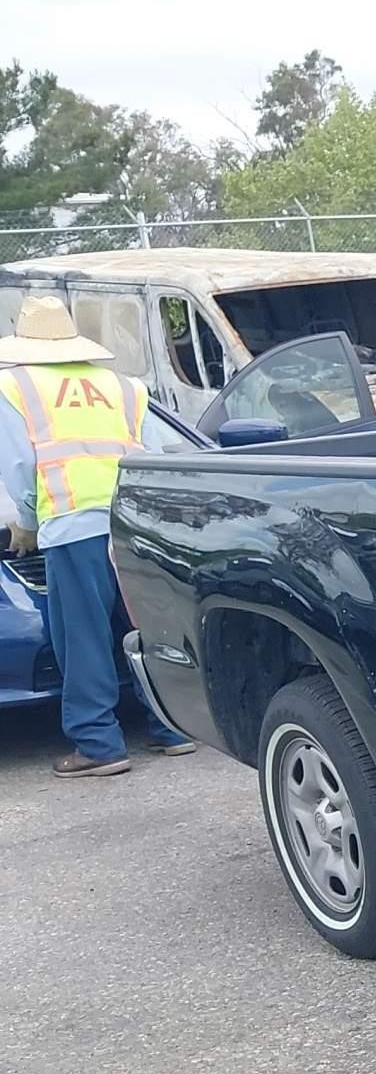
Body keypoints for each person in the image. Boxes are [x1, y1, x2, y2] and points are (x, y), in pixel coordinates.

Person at [0, 295, 195, 778]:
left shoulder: (15, 386)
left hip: (72, 523)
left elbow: (21, 466)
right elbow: (159, 453)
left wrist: (27, 522)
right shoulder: (123, 386)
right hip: (131, 522)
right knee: (143, 626)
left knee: (82, 636)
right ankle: (174, 728)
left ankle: (99, 744)